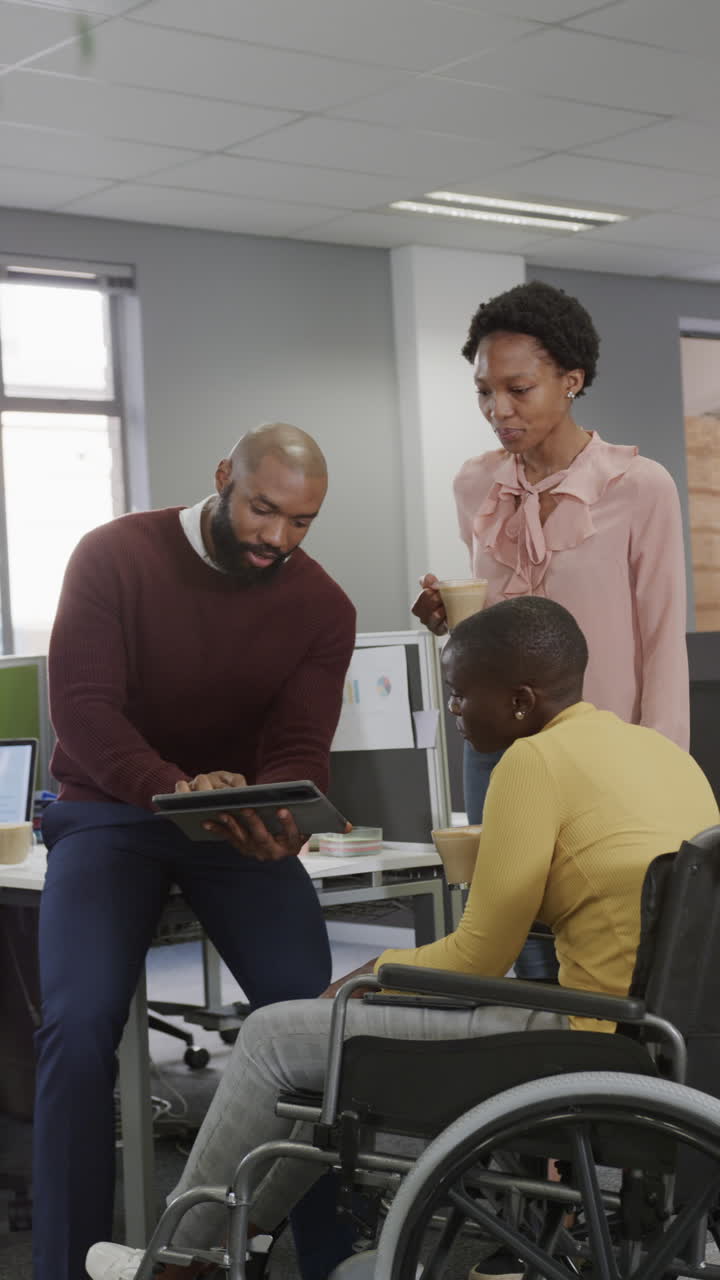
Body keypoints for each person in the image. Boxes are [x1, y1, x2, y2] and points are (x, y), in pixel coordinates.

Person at [87, 596, 719, 1280]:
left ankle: (176, 1259)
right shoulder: (659, 751)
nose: (453, 711)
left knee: (275, 1035)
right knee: (323, 1060)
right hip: (665, 1039)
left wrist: (368, 976)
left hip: (588, 1038)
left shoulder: (534, 763)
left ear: (519, 700)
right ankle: (216, 1252)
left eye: (458, 695)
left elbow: (480, 954)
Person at [33, 422, 356, 1280]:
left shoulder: (323, 607)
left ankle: (338, 1263)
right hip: (110, 809)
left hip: (231, 821)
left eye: (300, 523)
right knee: (77, 1026)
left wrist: (282, 809)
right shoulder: (113, 556)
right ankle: (66, 1265)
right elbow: (86, 711)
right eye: (263, 510)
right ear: (223, 478)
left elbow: (298, 746)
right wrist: (170, 787)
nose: (277, 539)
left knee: (317, 1029)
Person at [412, 279, 690, 980]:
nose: (497, 410)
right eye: (483, 392)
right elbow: (506, 630)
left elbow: (661, 635)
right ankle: (540, 1067)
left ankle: (597, 1070)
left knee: (603, 925)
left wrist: (661, 760)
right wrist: (453, 622)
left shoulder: (640, 486)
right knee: (508, 924)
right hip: (499, 740)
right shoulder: (475, 486)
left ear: (572, 381)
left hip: (603, 745)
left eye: (518, 389)